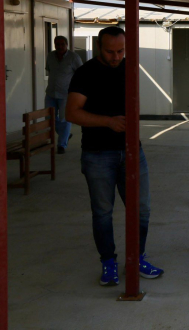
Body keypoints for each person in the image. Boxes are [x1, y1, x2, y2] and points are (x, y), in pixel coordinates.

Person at [65, 26, 163, 287]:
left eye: (121, 51)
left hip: (132, 151)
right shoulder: (86, 73)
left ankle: (136, 258)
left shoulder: (129, 67)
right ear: (99, 47)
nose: (116, 56)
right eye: (110, 52)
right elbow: (71, 113)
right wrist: (108, 121)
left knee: (141, 209)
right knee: (102, 212)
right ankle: (108, 262)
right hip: (97, 154)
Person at [45, 35, 83, 154]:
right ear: (54, 45)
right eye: (57, 44)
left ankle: (61, 145)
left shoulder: (74, 57)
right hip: (51, 92)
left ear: (66, 45)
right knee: (49, 118)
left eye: (62, 44)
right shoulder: (50, 56)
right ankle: (65, 133)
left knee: (64, 119)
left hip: (66, 94)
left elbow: (81, 74)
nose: (60, 46)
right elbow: (49, 70)